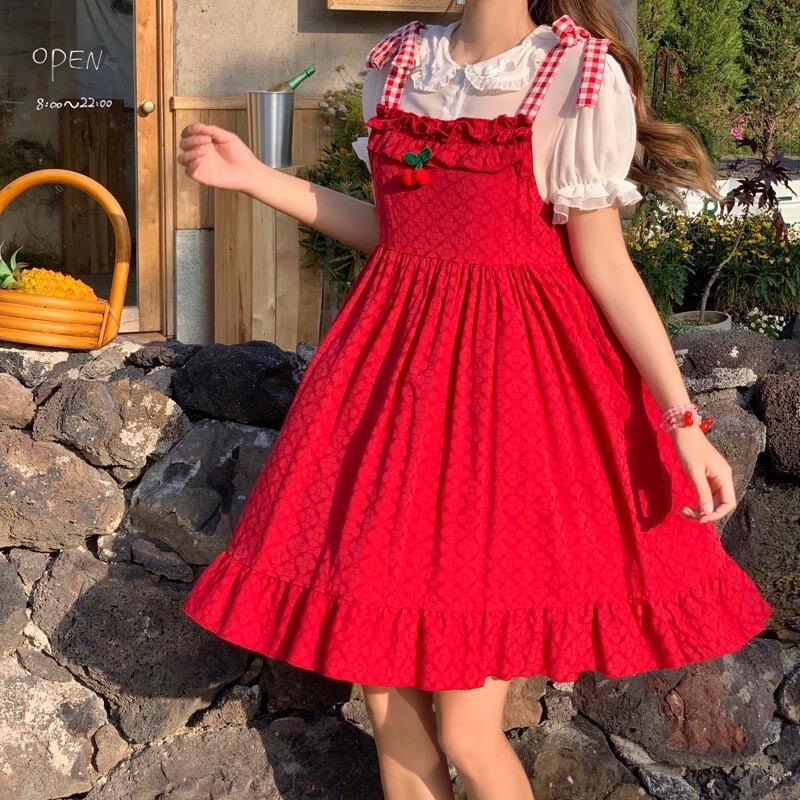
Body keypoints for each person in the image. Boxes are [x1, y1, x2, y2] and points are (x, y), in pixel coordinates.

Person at [178, 2, 774, 798]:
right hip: (387, 402)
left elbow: (606, 266)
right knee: (389, 709)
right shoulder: (398, 65)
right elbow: (400, 235)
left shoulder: (576, 72)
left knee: (465, 727)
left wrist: (683, 421)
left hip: (509, 411)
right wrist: (256, 178)